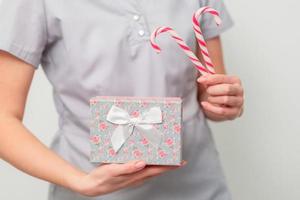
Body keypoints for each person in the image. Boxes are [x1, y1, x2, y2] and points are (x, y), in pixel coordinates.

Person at [0, 0, 244, 200]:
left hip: (198, 184)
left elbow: (210, 93)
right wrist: (80, 182)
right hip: (92, 187)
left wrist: (223, 101)